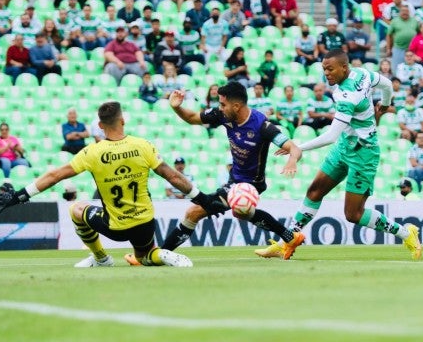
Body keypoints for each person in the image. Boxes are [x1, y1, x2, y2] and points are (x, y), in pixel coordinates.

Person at [255, 49, 422, 260]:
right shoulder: (363, 74)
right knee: (314, 191)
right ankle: (286, 241)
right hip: (344, 146)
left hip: (364, 153)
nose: (327, 73)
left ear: (344, 67)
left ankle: (407, 233)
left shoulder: (346, 95)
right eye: (324, 69)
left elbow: (330, 136)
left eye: (330, 69)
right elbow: (387, 85)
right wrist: (386, 104)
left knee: (353, 214)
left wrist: (297, 147)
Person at [0, 102, 194, 267]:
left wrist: (21, 194)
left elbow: (55, 175)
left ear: (99, 125)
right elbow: (172, 176)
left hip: (114, 226)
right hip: (144, 223)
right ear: (123, 120)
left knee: (76, 209)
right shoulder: (141, 145)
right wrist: (200, 197)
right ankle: (163, 255)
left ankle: (101, 258)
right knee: (144, 257)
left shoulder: (93, 152)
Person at [125, 82, 303, 265]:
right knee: (242, 213)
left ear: (236, 106)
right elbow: (193, 117)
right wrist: (176, 108)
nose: (219, 108)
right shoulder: (224, 115)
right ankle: (290, 237)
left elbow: (294, 148)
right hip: (234, 179)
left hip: (249, 184)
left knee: (194, 212)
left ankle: (156, 256)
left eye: (223, 104)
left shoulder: (262, 125)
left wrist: (291, 159)